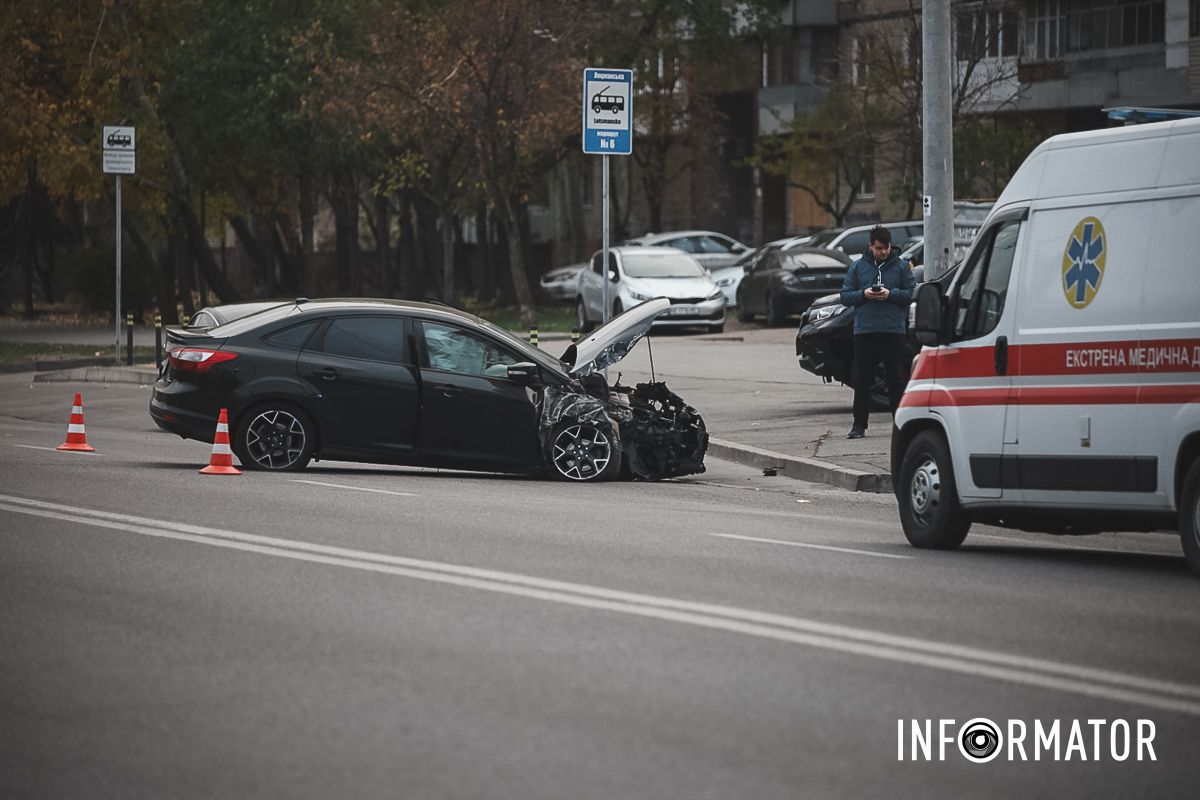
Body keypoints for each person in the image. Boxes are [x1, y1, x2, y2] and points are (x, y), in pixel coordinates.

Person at [838, 225, 916, 439]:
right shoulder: (858, 267)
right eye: (879, 248)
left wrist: (890, 294)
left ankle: (900, 425)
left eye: (887, 248)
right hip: (865, 331)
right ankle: (858, 425)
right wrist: (864, 294)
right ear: (870, 246)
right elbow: (845, 296)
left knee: (897, 379)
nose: (884, 252)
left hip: (893, 330)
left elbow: (910, 292)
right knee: (861, 379)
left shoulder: (901, 267)